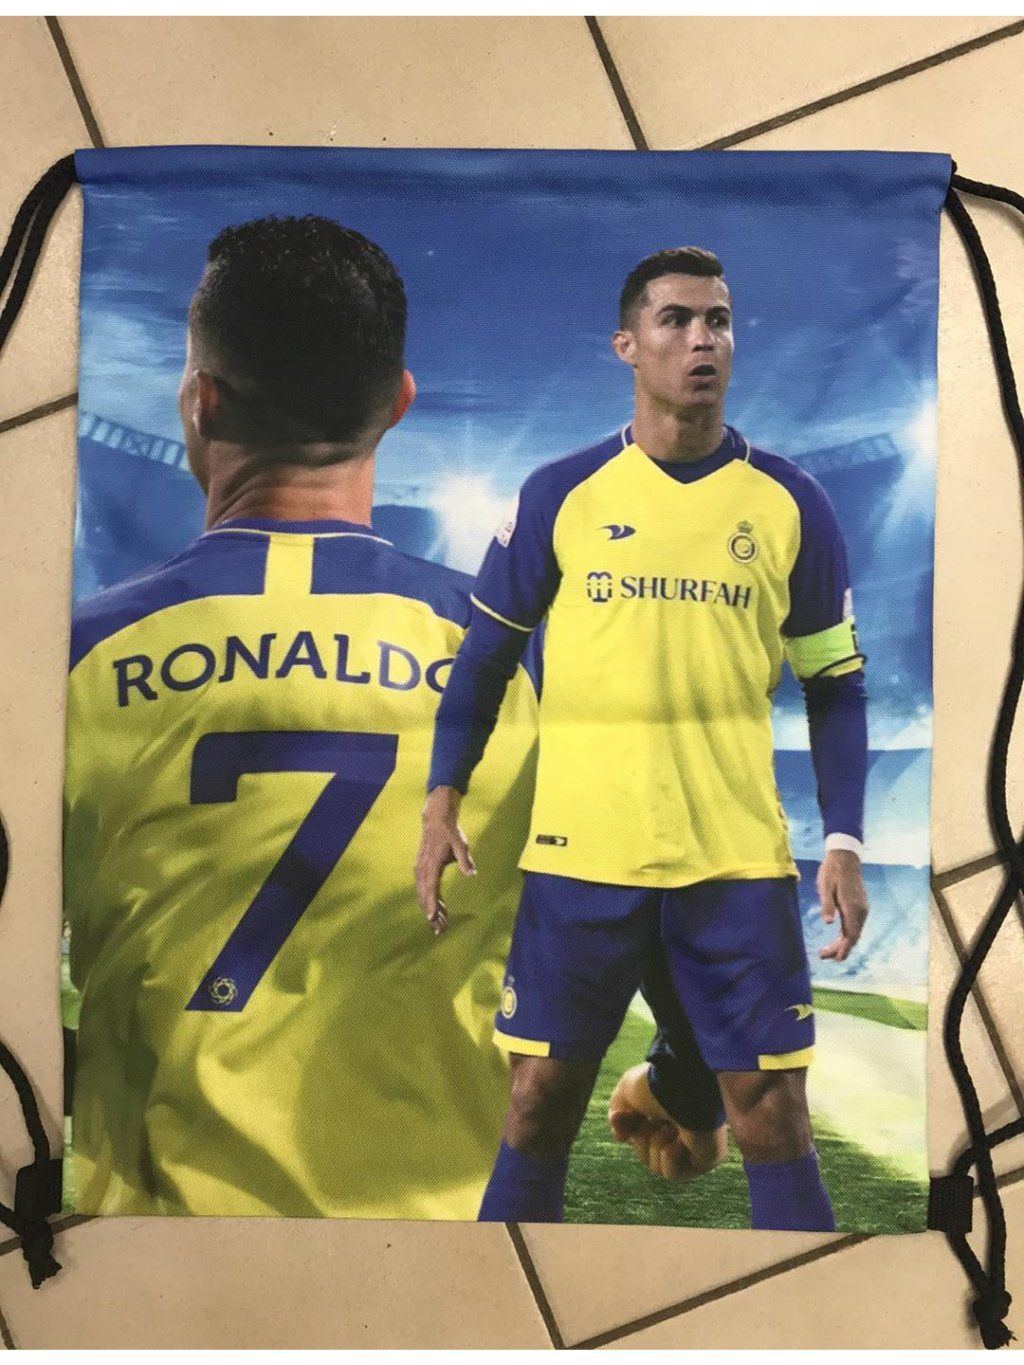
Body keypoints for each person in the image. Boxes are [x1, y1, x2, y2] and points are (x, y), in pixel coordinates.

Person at [64, 217, 722, 1218]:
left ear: (200, 400)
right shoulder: (528, 659)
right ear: (400, 403)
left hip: (151, 1247)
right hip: (451, 1248)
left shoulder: (67, 660)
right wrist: (687, 1082)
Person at [418, 246, 870, 1231]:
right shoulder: (561, 493)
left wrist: (843, 837)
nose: (702, 339)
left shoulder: (791, 502)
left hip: (733, 860)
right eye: (676, 320)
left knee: (771, 1111)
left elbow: (835, 685)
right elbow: (483, 661)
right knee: (536, 1104)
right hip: (582, 858)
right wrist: (441, 796)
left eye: (718, 320)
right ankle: (493, 1301)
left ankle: (807, 1309)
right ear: (627, 345)